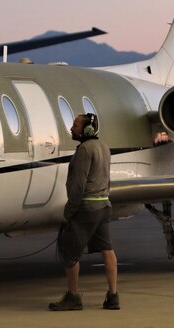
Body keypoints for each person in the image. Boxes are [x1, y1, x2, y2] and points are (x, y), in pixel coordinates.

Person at [49, 112, 120, 311]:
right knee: (108, 250)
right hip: (104, 206)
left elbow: (77, 185)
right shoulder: (104, 147)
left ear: (87, 129)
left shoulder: (84, 150)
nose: (72, 128)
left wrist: (69, 211)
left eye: (76, 125)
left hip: (86, 208)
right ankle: (113, 295)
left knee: (69, 251)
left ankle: (73, 296)